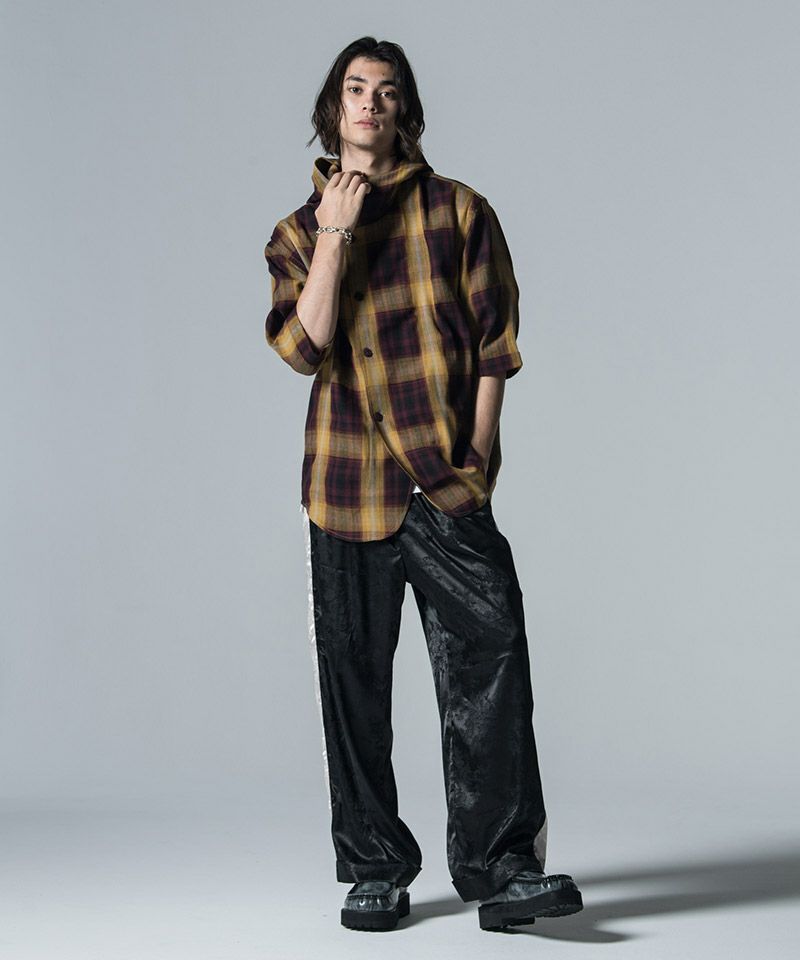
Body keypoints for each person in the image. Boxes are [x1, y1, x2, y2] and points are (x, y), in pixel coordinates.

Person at [263, 36, 583, 933]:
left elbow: (494, 344)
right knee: (354, 683)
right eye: (355, 88)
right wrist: (336, 230)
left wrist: (476, 458)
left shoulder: (458, 211)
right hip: (345, 487)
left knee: (492, 661)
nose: (371, 103)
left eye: (388, 90)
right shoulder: (295, 233)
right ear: (334, 108)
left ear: (405, 109)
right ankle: (374, 869)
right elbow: (303, 347)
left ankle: (503, 866)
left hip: (443, 483)